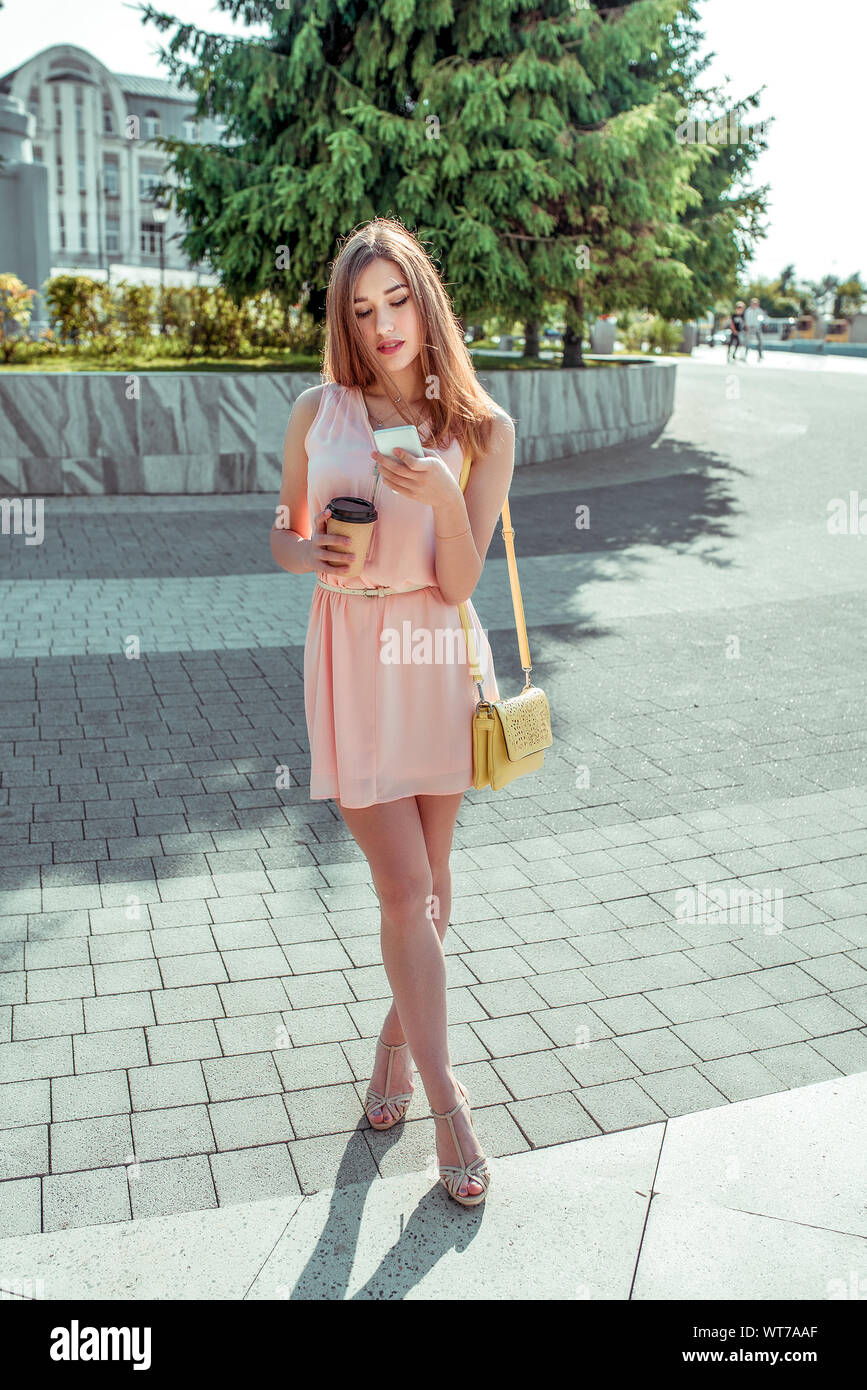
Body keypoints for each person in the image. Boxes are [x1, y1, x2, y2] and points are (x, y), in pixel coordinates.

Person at [270, 218, 515, 1206]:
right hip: (353, 663)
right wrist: (306, 554)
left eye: (396, 300)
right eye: (361, 309)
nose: (381, 325)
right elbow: (282, 532)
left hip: (439, 659)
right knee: (404, 888)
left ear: (426, 297)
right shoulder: (317, 412)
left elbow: (459, 583)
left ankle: (396, 1041)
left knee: (434, 882)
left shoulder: (483, 429)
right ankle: (449, 1097)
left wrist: (446, 498)